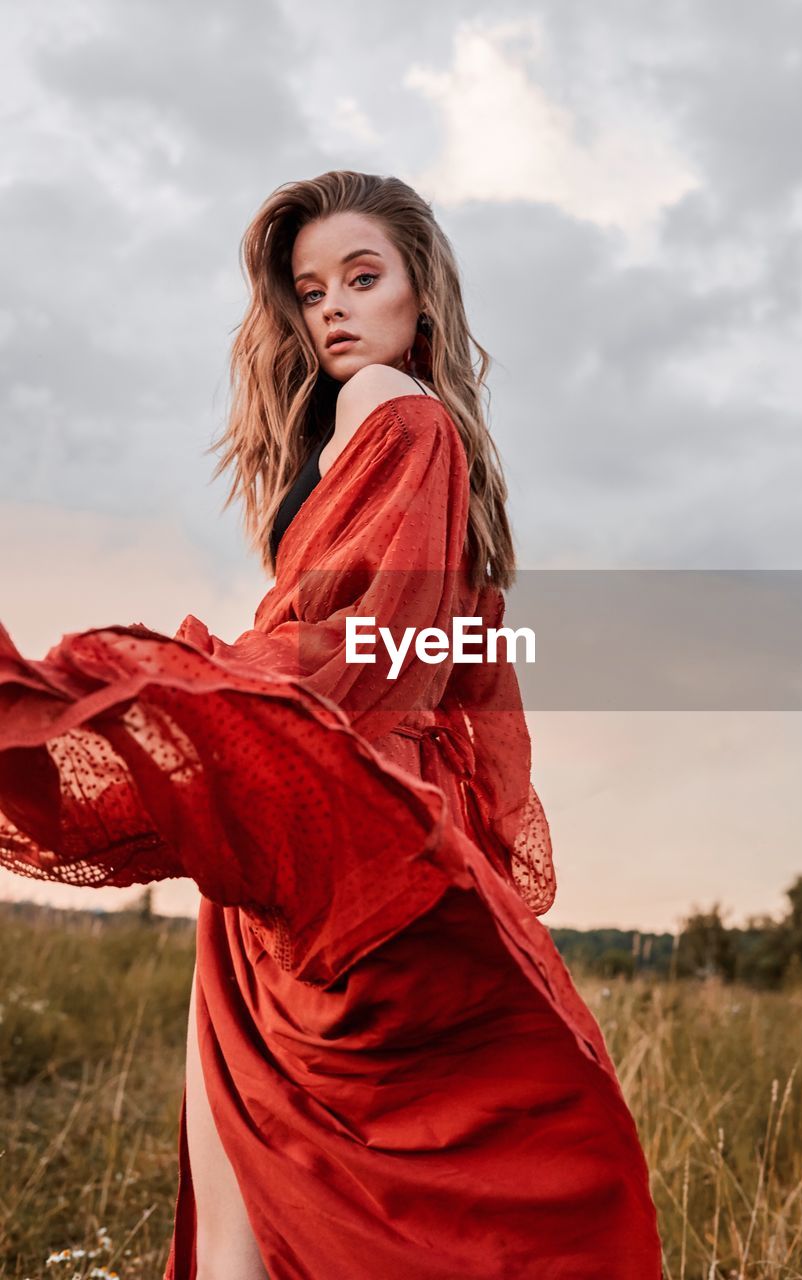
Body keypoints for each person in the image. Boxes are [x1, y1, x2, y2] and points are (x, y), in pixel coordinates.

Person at [0, 170, 663, 1279]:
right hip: (327, 827)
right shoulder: (397, 429)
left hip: (330, 828)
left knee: (239, 1225)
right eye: (311, 291)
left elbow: (372, 647)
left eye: (364, 277)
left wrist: (174, 689)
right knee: (302, 1199)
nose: (335, 309)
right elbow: (436, 661)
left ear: (420, 295)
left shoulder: (391, 407)